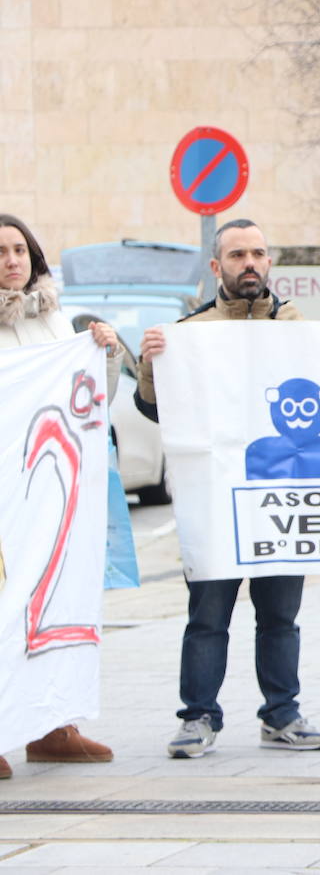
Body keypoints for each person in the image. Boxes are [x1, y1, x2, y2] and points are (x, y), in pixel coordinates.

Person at [136, 218, 320, 759]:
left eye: (259, 253)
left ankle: (282, 715)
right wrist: (151, 365)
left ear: (271, 263)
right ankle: (198, 716)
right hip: (216, 502)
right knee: (208, 617)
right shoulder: (190, 331)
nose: (250, 263)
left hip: (282, 500)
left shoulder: (299, 329)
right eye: (238, 254)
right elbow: (156, 411)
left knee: (279, 618)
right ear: (216, 266)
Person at [0, 213, 121, 777]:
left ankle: (51, 725)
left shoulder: (53, 321)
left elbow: (86, 399)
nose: (12, 260)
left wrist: (105, 352)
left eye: (19, 249)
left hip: (49, 488)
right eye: (0, 251)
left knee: (50, 601)